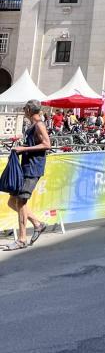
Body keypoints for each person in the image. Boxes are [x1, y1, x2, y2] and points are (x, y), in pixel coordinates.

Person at [4, 101, 51, 251]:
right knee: (12, 202)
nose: (24, 110)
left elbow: (47, 144)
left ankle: (22, 239)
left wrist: (25, 149)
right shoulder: (33, 125)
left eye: (24, 108)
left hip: (33, 167)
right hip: (26, 166)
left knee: (21, 202)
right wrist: (22, 147)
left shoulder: (39, 125)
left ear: (29, 110)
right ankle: (37, 224)